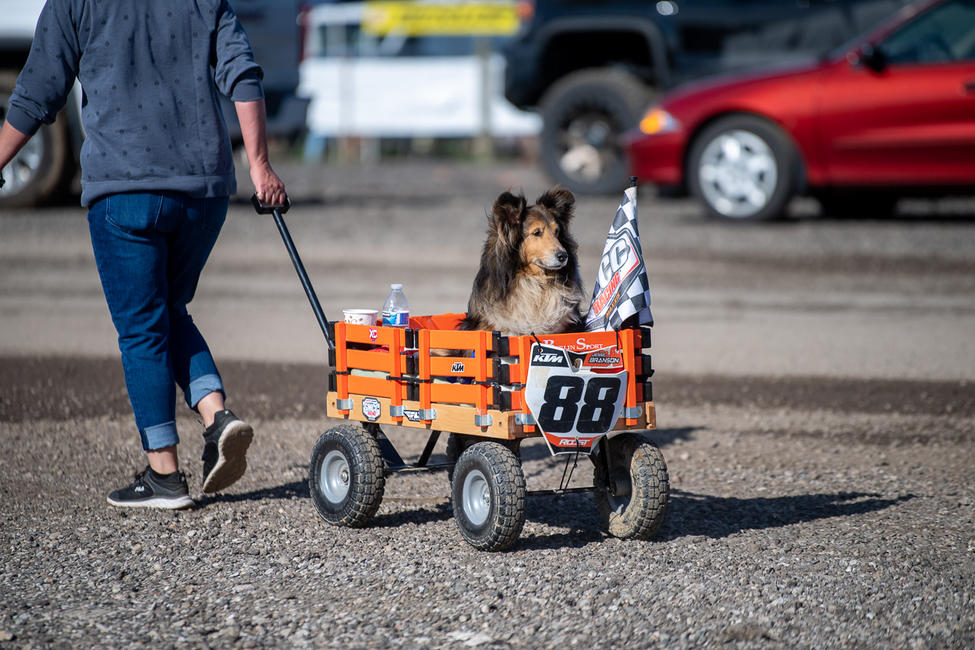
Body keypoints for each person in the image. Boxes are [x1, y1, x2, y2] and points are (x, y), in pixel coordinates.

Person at [0, 0, 287, 509]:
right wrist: (260, 167)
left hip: (125, 190)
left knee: (142, 328)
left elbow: (38, 91)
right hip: (204, 191)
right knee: (169, 310)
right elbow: (242, 73)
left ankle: (164, 476)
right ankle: (217, 415)